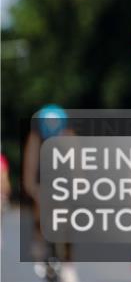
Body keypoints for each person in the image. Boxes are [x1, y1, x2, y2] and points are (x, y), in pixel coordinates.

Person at [22, 104, 79, 282]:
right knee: (39, 212)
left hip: (64, 184)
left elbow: (78, 166)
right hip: (43, 182)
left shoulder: (69, 136)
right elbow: (29, 168)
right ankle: (40, 249)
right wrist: (32, 190)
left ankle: (68, 262)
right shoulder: (35, 136)